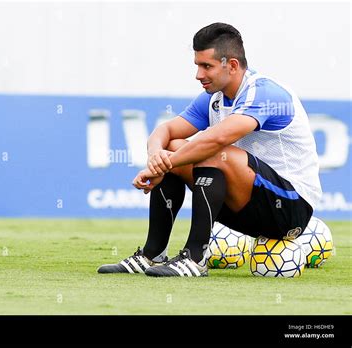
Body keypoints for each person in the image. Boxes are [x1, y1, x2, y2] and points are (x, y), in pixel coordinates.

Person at [97, 22, 322, 277]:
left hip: (291, 210)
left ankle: (195, 258)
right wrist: (155, 158)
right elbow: (165, 131)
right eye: (197, 65)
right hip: (248, 206)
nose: (198, 75)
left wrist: (166, 164)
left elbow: (217, 140)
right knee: (172, 146)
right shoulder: (214, 96)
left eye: (206, 66)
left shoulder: (265, 93)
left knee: (213, 152)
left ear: (232, 65)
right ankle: (152, 254)